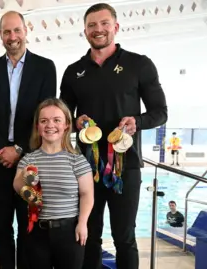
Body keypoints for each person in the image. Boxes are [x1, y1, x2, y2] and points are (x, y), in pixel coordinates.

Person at [59, 3, 167, 269]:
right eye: (92, 25)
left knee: (124, 238)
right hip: (86, 169)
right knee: (88, 236)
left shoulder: (139, 64)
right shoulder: (74, 71)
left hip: (126, 166)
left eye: (104, 24)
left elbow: (160, 112)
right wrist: (75, 123)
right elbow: (61, 118)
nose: (99, 30)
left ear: (115, 27)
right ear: (85, 31)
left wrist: (137, 122)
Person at [0, 10, 57, 269]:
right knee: (4, 227)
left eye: (17, 30)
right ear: (1, 35)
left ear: (26, 31)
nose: (13, 37)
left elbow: (44, 115)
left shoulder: (45, 67)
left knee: (27, 226)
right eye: (7, 32)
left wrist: (19, 150)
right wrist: (4, 149)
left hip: (31, 160)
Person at [12, 98, 94, 269]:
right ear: (38, 127)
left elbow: (87, 194)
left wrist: (82, 222)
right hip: (37, 233)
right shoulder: (28, 159)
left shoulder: (77, 160)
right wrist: (25, 177)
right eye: (44, 121)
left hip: (70, 233)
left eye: (57, 120)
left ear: (66, 125)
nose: (50, 125)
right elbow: (18, 187)